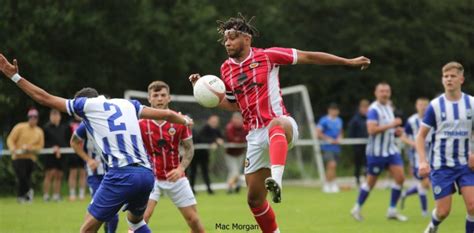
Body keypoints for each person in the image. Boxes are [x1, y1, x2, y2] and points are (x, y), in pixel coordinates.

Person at [188, 14, 370, 232]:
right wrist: (205, 92)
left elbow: (309, 57)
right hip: (254, 136)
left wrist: (346, 62)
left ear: (247, 39)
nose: (227, 42)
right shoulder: (226, 69)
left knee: (275, 124)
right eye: (225, 39)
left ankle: (277, 181)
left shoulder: (268, 56)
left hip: (282, 127)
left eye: (233, 37)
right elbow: (235, 104)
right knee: (254, 201)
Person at [0, 53, 193, 233]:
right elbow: (168, 114)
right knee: (136, 222)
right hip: (146, 175)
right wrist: (185, 120)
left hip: (121, 174)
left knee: (86, 230)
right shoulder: (127, 104)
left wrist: (15, 77)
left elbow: (43, 98)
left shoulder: (85, 105)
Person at [137, 81, 205, 233]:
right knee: (143, 217)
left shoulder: (180, 121)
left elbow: (189, 149)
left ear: (169, 98)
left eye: (163, 95)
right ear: (149, 99)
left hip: (176, 177)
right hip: (150, 177)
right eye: (155, 95)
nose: (159, 98)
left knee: (194, 221)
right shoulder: (140, 124)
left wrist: (180, 168)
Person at [416, 62, 474, 233]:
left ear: (461, 79)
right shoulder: (435, 106)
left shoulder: (471, 103)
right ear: (442, 80)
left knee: (472, 206)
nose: (449, 79)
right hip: (441, 166)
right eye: (446, 76)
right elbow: (420, 136)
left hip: (465, 165)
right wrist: (422, 161)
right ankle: (433, 226)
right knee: (443, 212)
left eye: (453, 76)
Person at [350, 82, 407, 222]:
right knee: (371, 182)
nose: (385, 93)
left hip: (390, 150)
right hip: (376, 152)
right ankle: (356, 208)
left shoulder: (388, 107)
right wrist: (392, 125)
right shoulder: (373, 109)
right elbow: (372, 130)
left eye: (387, 91)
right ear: (376, 93)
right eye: (381, 91)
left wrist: (396, 131)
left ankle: (392, 211)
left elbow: (388, 130)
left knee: (400, 178)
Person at [71, 122, 119, 233]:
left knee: (114, 216)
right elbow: (74, 143)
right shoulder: (85, 125)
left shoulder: (111, 123)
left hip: (112, 173)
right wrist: (88, 160)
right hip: (95, 174)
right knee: (97, 210)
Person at [399, 97, 431, 216]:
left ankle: (405, 194)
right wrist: (413, 143)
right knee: (425, 183)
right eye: (420, 105)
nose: (423, 107)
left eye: (425, 105)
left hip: (431, 157)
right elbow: (402, 136)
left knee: (425, 185)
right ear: (416, 106)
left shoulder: (432, 119)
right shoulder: (412, 121)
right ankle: (424, 212)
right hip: (416, 159)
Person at [7, 108, 44, 203]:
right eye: (31, 117)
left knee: (26, 178)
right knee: (22, 176)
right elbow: (10, 139)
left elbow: (40, 146)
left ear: (38, 119)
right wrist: (13, 148)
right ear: (28, 118)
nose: (33, 119)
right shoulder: (20, 127)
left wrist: (31, 148)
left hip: (30, 158)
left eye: (35, 117)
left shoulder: (39, 131)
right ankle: (29, 191)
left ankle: (21, 197)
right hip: (18, 157)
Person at [189, 114, 224, 195]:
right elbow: (201, 139)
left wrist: (218, 142)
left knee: (205, 171)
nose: (214, 123)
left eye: (216, 122)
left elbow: (220, 138)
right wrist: (214, 141)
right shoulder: (204, 128)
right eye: (213, 121)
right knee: (193, 172)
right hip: (196, 153)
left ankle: (209, 189)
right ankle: (192, 189)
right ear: (209, 121)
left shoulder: (216, 129)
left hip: (204, 154)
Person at [42, 109, 70, 202]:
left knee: (59, 175)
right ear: (50, 117)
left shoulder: (64, 128)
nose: (55, 117)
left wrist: (61, 149)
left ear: (60, 117)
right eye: (53, 115)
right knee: (50, 174)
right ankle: (46, 195)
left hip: (62, 154)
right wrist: (53, 148)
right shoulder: (46, 128)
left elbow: (67, 141)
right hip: (50, 154)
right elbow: (44, 142)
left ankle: (56, 195)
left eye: (56, 115)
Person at [316, 103, 343, 193]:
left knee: (331, 167)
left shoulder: (339, 120)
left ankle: (330, 184)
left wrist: (340, 138)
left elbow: (340, 132)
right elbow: (318, 133)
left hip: (336, 147)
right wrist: (328, 139)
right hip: (327, 146)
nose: (334, 112)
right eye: (332, 110)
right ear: (329, 111)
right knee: (332, 165)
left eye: (336, 110)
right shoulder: (324, 120)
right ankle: (330, 184)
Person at [348, 99, 369, 186]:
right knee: (358, 163)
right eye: (363, 107)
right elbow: (351, 132)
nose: (365, 110)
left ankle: (367, 180)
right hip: (358, 145)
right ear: (360, 108)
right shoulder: (355, 119)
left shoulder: (370, 118)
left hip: (368, 145)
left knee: (367, 163)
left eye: (366, 108)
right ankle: (357, 179)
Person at [224, 112, 247, 194]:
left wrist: (239, 140)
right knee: (235, 172)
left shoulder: (244, 127)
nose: (237, 121)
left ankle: (235, 187)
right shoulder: (229, 127)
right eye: (235, 119)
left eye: (239, 119)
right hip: (230, 154)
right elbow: (231, 138)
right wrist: (239, 140)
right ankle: (231, 186)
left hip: (240, 153)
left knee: (236, 172)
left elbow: (245, 138)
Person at [68, 117, 87, 201]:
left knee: (83, 173)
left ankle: (81, 194)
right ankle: (72, 194)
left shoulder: (86, 122)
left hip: (84, 151)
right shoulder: (69, 125)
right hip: (73, 152)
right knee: (73, 173)